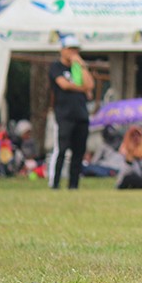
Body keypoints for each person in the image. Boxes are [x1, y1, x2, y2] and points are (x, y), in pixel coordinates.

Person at [49, 36, 94, 190]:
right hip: (64, 115)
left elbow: (90, 85)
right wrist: (82, 89)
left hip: (81, 114)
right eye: (70, 49)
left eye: (76, 49)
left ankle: (73, 185)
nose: (73, 52)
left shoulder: (77, 68)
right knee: (61, 150)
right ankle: (54, 184)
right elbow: (64, 85)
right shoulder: (56, 67)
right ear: (62, 50)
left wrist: (81, 65)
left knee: (78, 152)